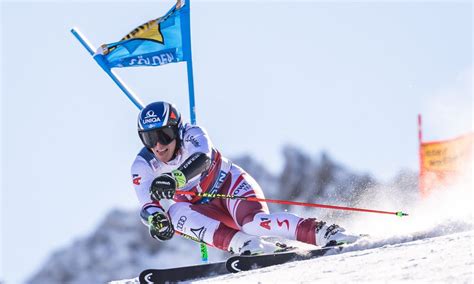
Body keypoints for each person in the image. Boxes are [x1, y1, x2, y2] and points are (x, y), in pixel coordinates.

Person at [131, 101, 358, 255]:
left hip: (229, 185)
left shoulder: (193, 134)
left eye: (164, 135)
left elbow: (203, 160)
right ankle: (246, 245)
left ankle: (324, 232)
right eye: (150, 139)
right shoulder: (142, 165)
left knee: (254, 224)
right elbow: (147, 205)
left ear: (177, 130)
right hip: (201, 208)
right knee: (174, 214)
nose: (159, 145)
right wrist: (155, 220)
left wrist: (175, 178)